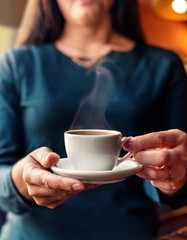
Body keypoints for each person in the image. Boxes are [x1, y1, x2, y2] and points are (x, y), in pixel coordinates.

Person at [0, 0, 187, 239]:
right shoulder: (16, 63)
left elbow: (177, 178)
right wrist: (22, 180)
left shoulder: (164, 65)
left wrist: (175, 178)